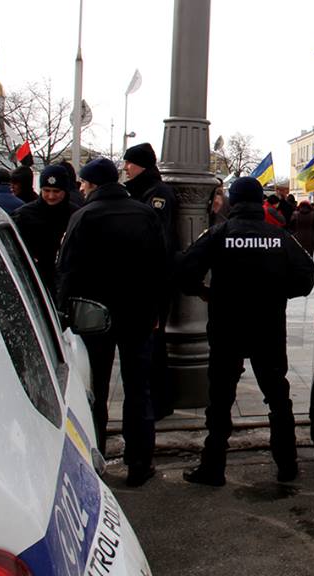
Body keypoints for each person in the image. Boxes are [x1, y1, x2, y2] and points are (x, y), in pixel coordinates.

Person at [177, 177, 314, 486]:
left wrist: (204, 292)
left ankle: (213, 467)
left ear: (235, 202)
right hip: (267, 327)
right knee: (278, 396)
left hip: (228, 326)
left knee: (221, 398)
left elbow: (185, 269)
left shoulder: (219, 233)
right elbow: (306, 275)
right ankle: (287, 464)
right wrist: (280, 292)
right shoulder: (278, 236)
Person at [56, 158, 167, 487]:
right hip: (138, 314)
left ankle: (95, 455)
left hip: (95, 315)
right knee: (137, 389)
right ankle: (139, 462)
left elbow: (68, 269)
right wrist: (157, 310)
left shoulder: (84, 216)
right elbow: (160, 264)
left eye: (84, 183)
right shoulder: (145, 213)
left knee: (96, 390)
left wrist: (65, 311)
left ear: (92, 184)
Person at [123, 142, 178, 421]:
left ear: (141, 164)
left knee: (154, 342)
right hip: (148, 279)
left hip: (154, 280)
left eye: (129, 163)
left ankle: (160, 401)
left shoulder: (158, 194)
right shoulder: (140, 191)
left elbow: (158, 239)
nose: (125, 168)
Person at [11, 165, 80, 297]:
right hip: (33, 282)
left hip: (66, 285)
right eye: (46, 190)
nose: (51, 196)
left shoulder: (76, 216)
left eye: (56, 191)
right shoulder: (23, 215)